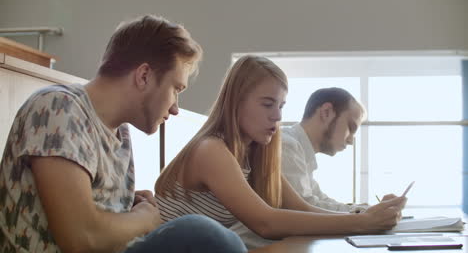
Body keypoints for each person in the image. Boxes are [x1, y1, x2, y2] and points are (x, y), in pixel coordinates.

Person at [0, 15, 246, 253]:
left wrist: (126, 205)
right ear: (144, 76)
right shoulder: (59, 107)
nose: (175, 108)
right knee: (204, 234)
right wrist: (144, 219)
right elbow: (81, 238)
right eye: (175, 88)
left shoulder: (121, 132)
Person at [155, 55, 406, 242]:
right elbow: (266, 222)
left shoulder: (255, 154)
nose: (277, 116)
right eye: (267, 104)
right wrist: (362, 223)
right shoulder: (211, 149)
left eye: (281, 106)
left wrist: (365, 218)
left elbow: (302, 209)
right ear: (236, 102)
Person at [282, 87, 384, 213]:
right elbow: (307, 209)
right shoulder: (287, 145)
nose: (351, 141)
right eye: (351, 128)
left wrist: (367, 209)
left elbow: (320, 201)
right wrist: (366, 213)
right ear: (326, 112)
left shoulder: (302, 152)